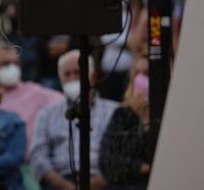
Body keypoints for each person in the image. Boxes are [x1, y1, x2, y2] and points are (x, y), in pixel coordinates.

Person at [30, 50, 118, 190]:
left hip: (104, 182)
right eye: (67, 74)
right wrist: (65, 186)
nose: (72, 78)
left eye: (78, 72)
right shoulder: (46, 114)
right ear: (60, 79)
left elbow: (120, 153)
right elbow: (38, 156)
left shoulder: (114, 111)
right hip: (59, 182)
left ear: (93, 77)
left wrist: (97, 183)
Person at [0, 41, 62, 159]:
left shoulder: (34, 92)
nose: (11, 68)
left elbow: (65, 103)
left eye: (16, 63)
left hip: (28, 163)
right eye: (4, 64)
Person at [98, 53, 152, 190]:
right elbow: (107, 162)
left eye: (146, 74)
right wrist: (142, 167)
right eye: (137, 74)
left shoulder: (166, 115)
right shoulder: (122, 114)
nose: (140, 79)